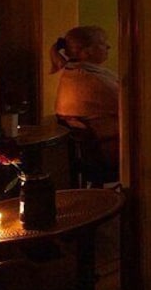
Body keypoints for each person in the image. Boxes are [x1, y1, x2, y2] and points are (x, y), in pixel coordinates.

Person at [50, 25, 120, 178]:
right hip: (110, 152)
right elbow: (131, 104)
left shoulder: (73, 73)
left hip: (97, 151)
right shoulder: (92, 80)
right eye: (103, 43)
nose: (108, 46)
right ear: (86, 50)